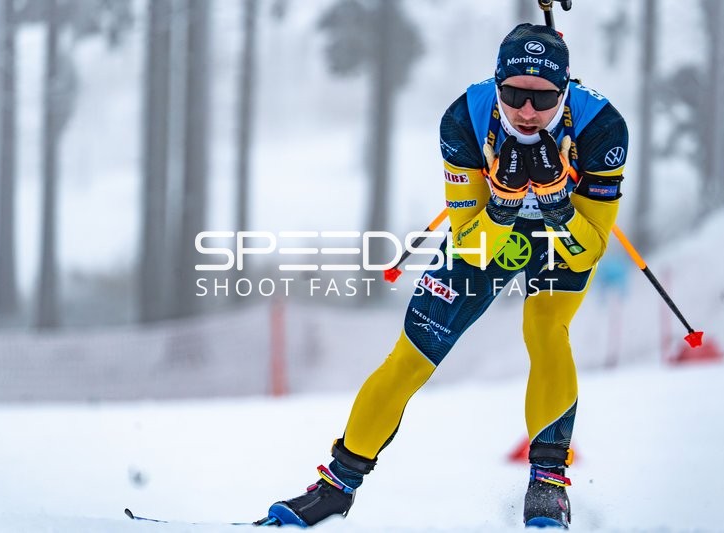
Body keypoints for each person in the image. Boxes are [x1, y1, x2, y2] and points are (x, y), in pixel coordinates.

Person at [262, 22, 628, 529]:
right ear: (496, 85)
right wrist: (502, 204)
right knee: (411, 357)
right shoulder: (465, 118)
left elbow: (588, 250)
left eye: (542, 99)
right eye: (513, 93)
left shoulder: (602, 128)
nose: (526, 110)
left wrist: (556, 202)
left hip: (559, 236)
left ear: (565, 93)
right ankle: (335, 487)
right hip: (486, 232)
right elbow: (472, 245)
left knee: (545, 329)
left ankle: (548, 488)